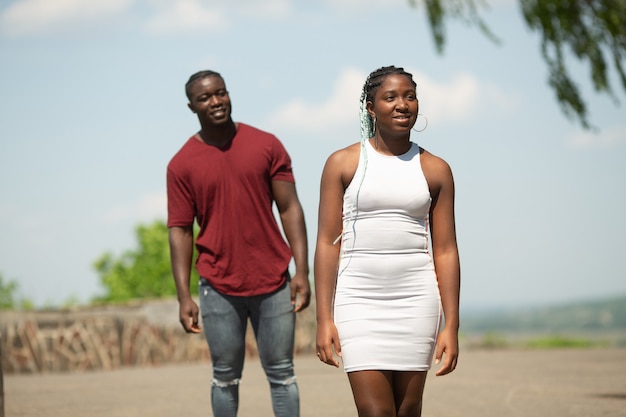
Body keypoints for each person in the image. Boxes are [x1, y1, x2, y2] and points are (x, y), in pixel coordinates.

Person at [314, 65, 460, 417]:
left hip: (416, 300)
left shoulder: (435, 169)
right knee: (376, 412)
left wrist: (451, 325)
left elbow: (445, 250)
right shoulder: (342, 163)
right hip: (358, 301)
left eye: (410, 96)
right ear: (370, 107)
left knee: (408, 411)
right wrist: (323, 318)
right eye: (390, 97)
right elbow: (326, 244)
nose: (402, 104)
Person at [167, 70, 311, 417]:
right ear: (191, 106)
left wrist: (301, 272)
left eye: (221, 93)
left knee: (282, 375)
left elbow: (289, 207)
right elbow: (180, 231)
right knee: (225, 379)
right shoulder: (181, 164)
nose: (216, 101)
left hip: (273, 281)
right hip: (218, 286)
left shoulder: (266, 144)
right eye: (205, 97)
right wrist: (184, 295)